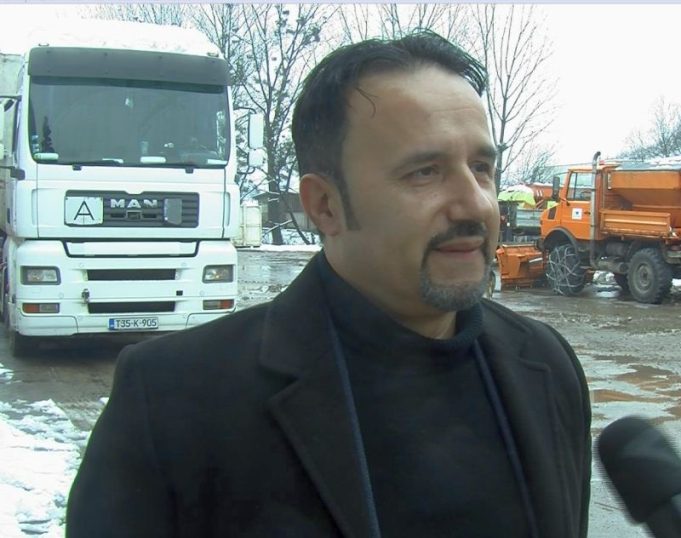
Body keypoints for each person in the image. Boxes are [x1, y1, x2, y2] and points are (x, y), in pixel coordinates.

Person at [67, 31, 591, 538]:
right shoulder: (171, 401)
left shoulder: (546, 364)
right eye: (425, 172)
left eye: (481, 167)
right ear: (324, 205)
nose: (475, 203)